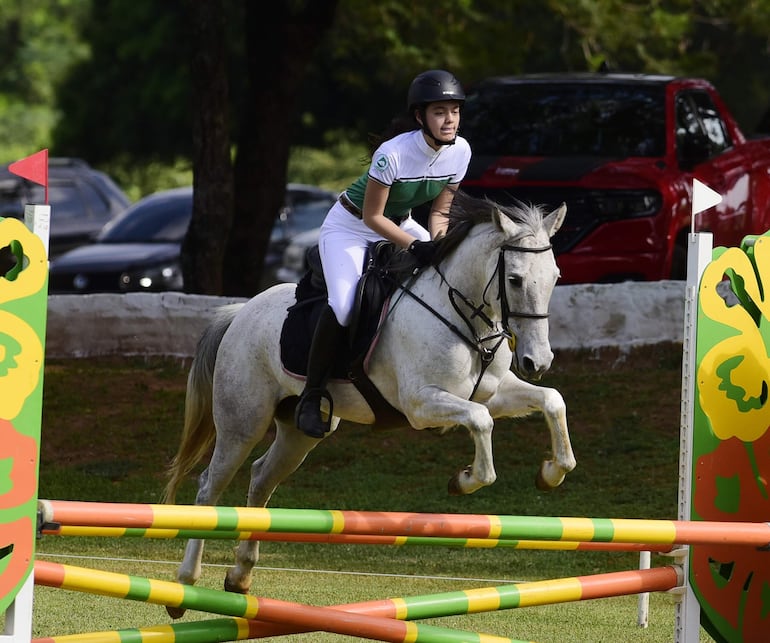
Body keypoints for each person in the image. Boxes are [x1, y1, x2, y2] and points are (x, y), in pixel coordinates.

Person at [294, 69, 472, 439]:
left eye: (454, 110)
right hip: (350, 227)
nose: (449, 119)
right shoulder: (392, 154)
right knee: (344, 305)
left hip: (401, 223)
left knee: (443, 276)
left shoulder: (462, 152)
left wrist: (437, 245)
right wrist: (415, 245)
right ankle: (311, 395)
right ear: (420, 116)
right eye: (440, 111)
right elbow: (372, 216)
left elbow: (440, 213)